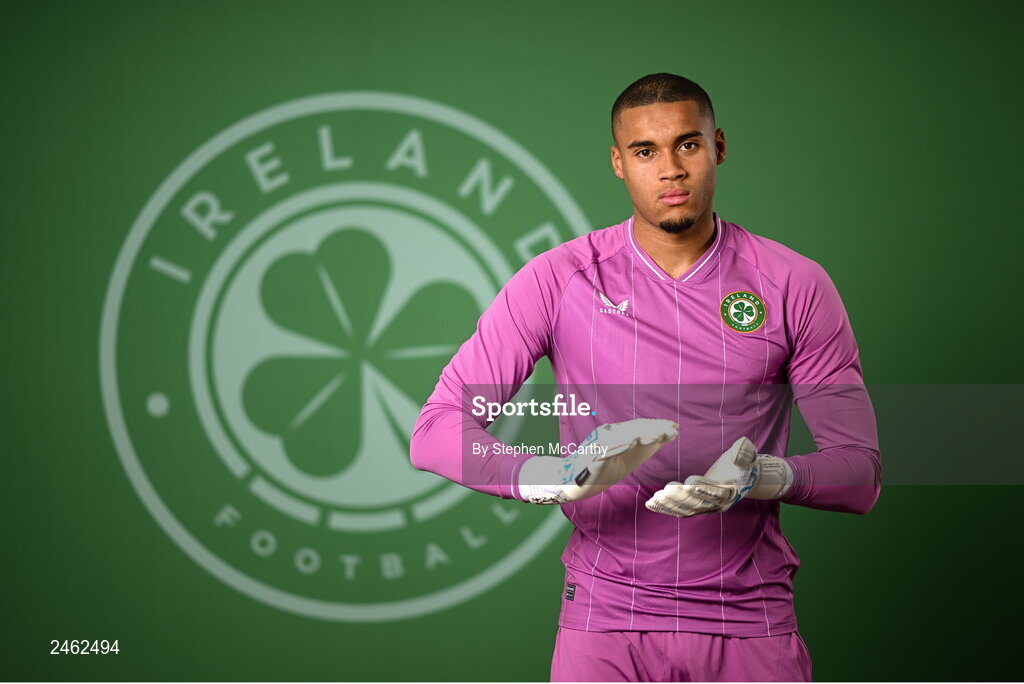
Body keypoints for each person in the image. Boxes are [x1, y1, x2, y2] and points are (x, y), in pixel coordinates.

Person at [410, 73, 881, 682]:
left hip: (749, 617)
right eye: (644, 151)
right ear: (618, 163)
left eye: (687, 144)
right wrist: (555, 476)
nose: (671, 170)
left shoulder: (794, 283)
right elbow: (435, 431)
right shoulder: (559, 280)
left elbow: (860, 473)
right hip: (605, 619)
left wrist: (763, 476)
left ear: (719, 146)